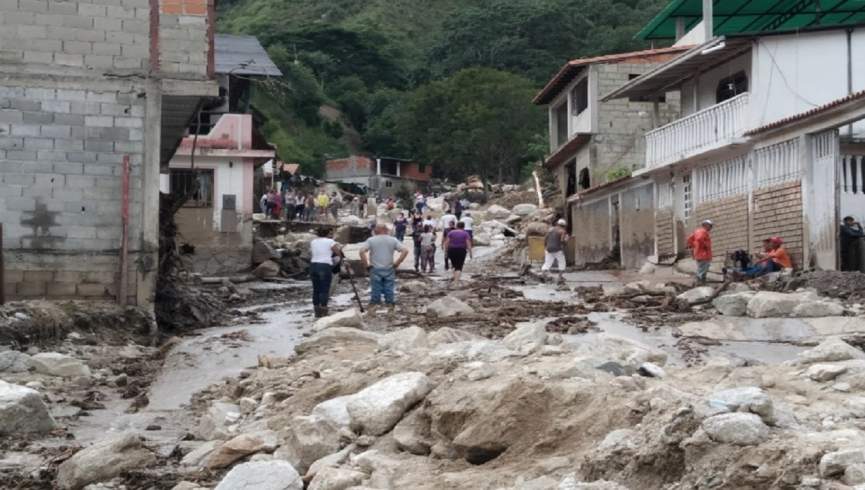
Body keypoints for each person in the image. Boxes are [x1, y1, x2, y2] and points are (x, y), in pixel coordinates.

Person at [360, 223, 409, 306]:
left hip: (375, 268)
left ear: (377, 230)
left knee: (376, 288)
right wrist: (397, 263)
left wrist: (366, 265)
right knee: (389, 287)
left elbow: (361, 252)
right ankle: (389, 303)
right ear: (386, 230)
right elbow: (405, 251)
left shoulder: (371, 240)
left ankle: (375, 304)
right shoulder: (393, 240)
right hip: (389, 267)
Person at [309, 228, 341, 318]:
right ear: (328, 234)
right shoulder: (330, 241)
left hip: (313, 265)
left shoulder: (313, 242)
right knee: (324, 289)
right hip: (324, 266)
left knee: (316, 289)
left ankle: (316, 310)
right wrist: (338, 258)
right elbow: (337, 252)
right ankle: (324, 309)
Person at [687, 220, 714, 285]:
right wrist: (705, 246)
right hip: (704, 254)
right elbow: (699, 239)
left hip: (699, 254)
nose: (711, 228)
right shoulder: (703, 231)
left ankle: (702, 282)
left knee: (701, 268)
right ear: (706, 225)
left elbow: (689, 239)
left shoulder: (697, 231)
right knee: (703, 269)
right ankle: (700, 283)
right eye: (710, 226)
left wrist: (694, 246)